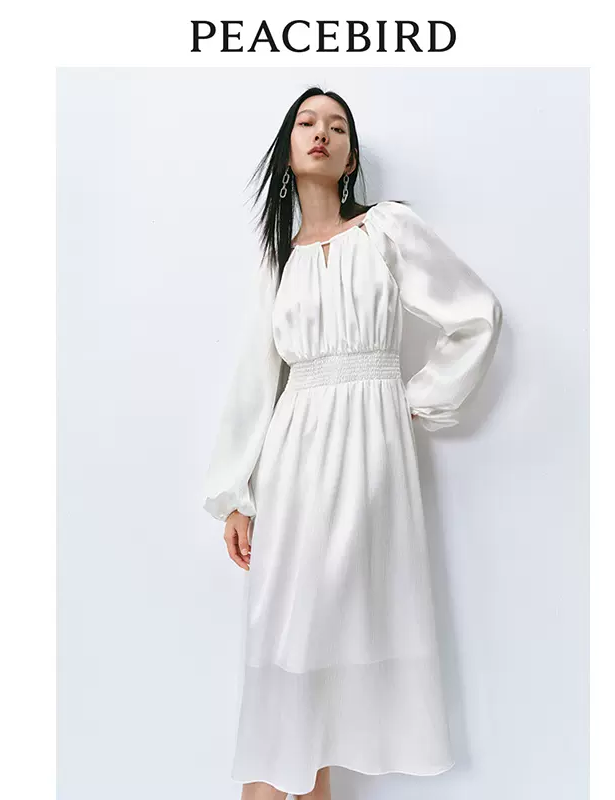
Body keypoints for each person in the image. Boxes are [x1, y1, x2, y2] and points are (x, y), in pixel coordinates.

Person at [202, 87, 503, 800]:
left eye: (337, 126)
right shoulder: (278, 261)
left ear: (350, 156)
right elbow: (255, 380)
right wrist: (235, 495)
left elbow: (475, 315)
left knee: (325, 651)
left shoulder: (386, 231)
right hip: (293, 458)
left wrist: (416, 401)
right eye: (307, 122)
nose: (322, 133)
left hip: (370, 457)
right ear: (288, 154)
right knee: (287, 648)